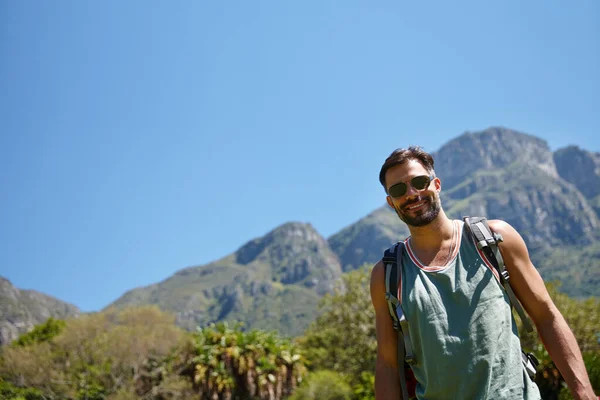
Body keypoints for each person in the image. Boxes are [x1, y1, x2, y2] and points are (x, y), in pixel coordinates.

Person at [370, 146, 596, 399]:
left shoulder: (493, 240)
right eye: (399, 190)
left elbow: (546, 316)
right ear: (391, 202)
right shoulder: (388, 274)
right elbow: (388, 365)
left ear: (436, 184)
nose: (412, 194)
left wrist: (584, 392)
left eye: (419, 182)